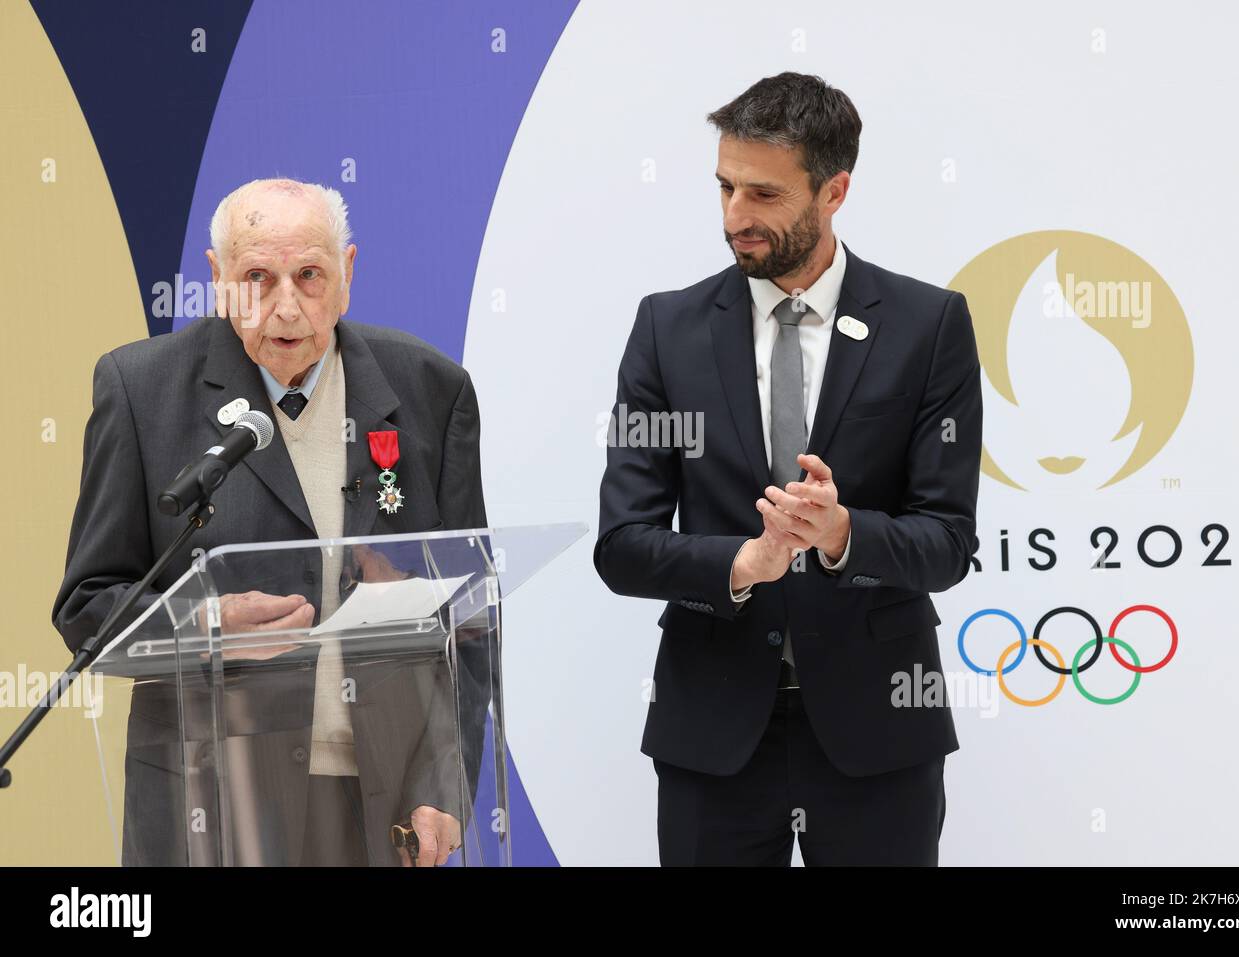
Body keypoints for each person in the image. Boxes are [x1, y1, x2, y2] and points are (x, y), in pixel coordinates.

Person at [594, 73, 982, 865]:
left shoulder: (929, 326)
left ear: (834, 190)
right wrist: (744, 561)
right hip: (713, 730)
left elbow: (946, 543)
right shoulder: (666, 329)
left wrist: (842, 535)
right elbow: (623, 544)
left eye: (764, 194)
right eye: (726, 187)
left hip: (881, 726)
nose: (737, 216)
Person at [53, 178, 487, 866]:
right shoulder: (141, 391)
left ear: (346, 275)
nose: (286, 306)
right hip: (213, 808)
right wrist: (203, 624)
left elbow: (469, 618)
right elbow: (87, 608)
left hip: (383, 810)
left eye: (310, 276)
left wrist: (444, 785)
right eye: (257, 277)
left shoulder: (433, 391)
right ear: (218, 279)